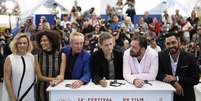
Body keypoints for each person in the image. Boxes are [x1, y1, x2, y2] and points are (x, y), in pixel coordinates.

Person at [156, 33, 199, 101]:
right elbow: (158, 74)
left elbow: (195, 79)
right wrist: (173, 82)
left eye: (173, 42)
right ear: (165, 45)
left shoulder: (190, 57)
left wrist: (177, 78)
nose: (171, 46)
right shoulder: (160, 56)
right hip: (167, 95)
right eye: (168, 44)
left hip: (186, 96)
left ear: (179, 42)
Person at [2, 33, 35, 101]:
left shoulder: (31, 57)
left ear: (28, 44)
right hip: (15, 94)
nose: (22, 45)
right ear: (15, 44)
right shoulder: (10, 58)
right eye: (19, 43)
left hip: (30, 94)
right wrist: (13, 98)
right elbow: (7, 79)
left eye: (24, 43)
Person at [35, 31, 65, 101]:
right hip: (41, 90)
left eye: (45, 40)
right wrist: (56, 79)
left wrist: (58, 79)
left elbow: (62, 75)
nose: (42, 43)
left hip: (56, 88)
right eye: (41, 41)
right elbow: (39, 77)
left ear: (52, 41)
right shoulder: (37, 56)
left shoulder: (62, 56)